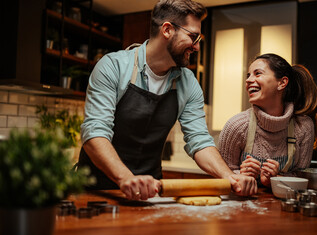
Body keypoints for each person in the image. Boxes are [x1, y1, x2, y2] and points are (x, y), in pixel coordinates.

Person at [77, 0, 257, 200]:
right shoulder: (113, 67)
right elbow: (95, 133)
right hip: (98, 191)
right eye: (193, 36)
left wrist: (230, 177)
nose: (197, 47)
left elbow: (199, 141)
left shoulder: (188, 83)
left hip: (151, 192)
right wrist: (126, 178)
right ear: (167, 30)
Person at [219, 53, 317, 187]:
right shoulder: (237, 125)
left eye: (257, 73)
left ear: (282, 83)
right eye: (248, 75)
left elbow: (301, 179)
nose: (249, 80)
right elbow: (221, 175)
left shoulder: (303, 127)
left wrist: (275, 179)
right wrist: (239, 175)